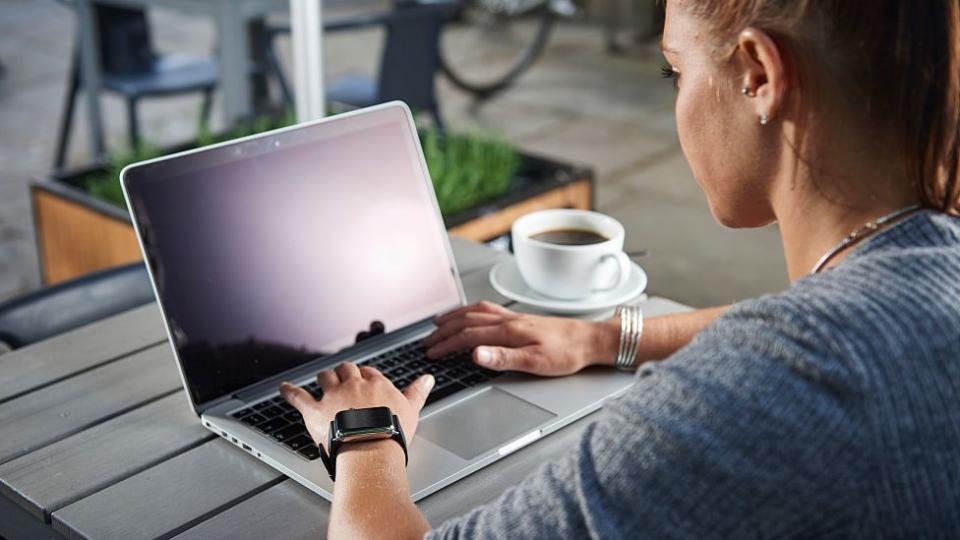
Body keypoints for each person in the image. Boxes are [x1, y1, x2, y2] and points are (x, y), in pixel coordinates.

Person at [281, 0, 960, 536]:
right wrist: (603, 337)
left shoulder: (761, 395)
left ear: (757, 74)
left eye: (676, 70)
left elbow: (796, 368)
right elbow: (825, 335)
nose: (678, 101)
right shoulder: (921, 274)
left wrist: (365, 434)